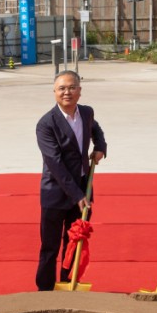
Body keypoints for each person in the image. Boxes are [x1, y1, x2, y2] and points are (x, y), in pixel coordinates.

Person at [35, 70, 107, 290]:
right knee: (50, 246)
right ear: (54, 92)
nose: (67, 92)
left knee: (75, 241)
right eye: (62, 88)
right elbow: (55, 164)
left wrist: (100, 146)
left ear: (79, 91)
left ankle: (68, 284)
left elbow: (96, 129)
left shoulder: (86, 112)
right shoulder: (46, 124)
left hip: (83, 189)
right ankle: (45, 290)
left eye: (72, 87)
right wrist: (77, 195)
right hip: (56, 192)